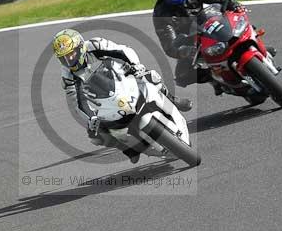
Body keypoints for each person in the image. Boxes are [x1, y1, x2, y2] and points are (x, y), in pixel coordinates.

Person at [52, 28, 192, 163]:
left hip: (121, 76)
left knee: (150, 76)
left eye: (71, 54)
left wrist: (135, 65)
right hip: (103, 98)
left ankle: (171, 98)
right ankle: (131, 150)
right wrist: (92, 118)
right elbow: (77, 103)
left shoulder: (95, 45)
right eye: (64, 58)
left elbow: (123, 51)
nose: (69, 60)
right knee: (96, 136)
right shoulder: (68, 76)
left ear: (80, 47)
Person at [152, 0, 254, 93]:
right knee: (182, 76)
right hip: (190, 40)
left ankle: (253, 40)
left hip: (209, 22)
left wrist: (234, 4)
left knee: (238, 22)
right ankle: (214, 79)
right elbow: (169, 44)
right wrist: (185, 51)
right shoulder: (160, 13)